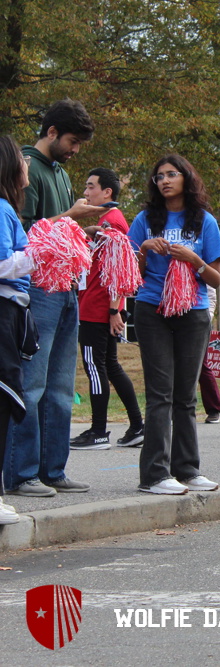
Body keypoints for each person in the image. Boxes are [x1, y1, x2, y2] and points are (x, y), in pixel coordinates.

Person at [5, 99, 104, 498]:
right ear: (51, 132)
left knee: (61, 387)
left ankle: (53, 469)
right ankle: (22, 473)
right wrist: (72, 217)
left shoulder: (60, 172)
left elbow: (59, 229)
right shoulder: (26, 166)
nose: (75, 149)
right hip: (39, 289)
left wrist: (85, 232)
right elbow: (25, 233)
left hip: (66, 287)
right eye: (72, 141)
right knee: (32, 385)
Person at [128, 154, 220, 494]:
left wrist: (194, 259)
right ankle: (154, 475)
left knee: (186, 395)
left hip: (193, 312)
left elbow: (215, 279)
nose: (165, 181)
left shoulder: (204, 222)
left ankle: (187, 470)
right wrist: (143, 249)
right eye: (159, 176)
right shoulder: (144, 219)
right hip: (151, 310)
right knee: (160, 394)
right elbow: (132, 276)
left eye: (171, 174)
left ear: (186, 178)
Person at [71, 167, 144, 450]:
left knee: (95, 367)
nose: (86, 192)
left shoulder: (113, 222)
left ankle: (98, 431)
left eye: (91, 186)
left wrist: (115, 310)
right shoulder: (106, 221)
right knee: (110, 366)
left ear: (107, 192)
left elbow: (121, 271)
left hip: (97, 308)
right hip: (98, 305)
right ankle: (137, 426)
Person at [0, 136, 37, 523]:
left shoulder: (6, 209)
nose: (27, 166)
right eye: (22, 160)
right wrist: (39, 255)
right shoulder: (0, 209)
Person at [199, 285, 220, 423]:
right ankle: (170, 410)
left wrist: (206, 317)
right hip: (170, 318)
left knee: (201, 365)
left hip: (198, 320)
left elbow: (211, 293)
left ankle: (214, 408)